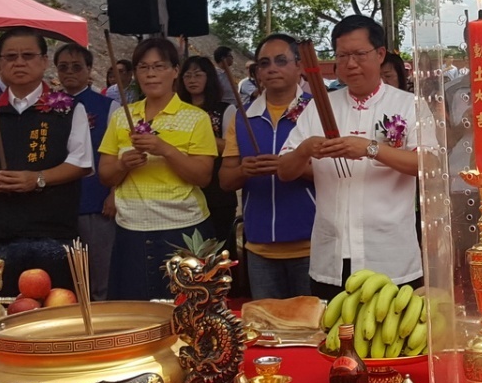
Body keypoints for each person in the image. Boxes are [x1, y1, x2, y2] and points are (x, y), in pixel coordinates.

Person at [277, 15, 427, 300]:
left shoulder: (408, 105)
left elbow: (428, 166)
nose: (351, 64)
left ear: (380, 54)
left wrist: (370, 148)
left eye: (359, 54)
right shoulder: (318, 107)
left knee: (395, 341)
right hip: (331, 259)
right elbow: (285, 171)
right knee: (332, 341)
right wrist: (306, 148)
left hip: (390, 256)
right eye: (343, 55)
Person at [0, 28, 93, 295]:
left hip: (53, 229)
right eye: (11, 56)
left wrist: (37, 179)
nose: (19, 62)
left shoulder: (68, 109)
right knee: (3, 311)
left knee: (56, 312)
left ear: (43, 60)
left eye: (28, 55)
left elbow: (81, 162)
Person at [99, 37, 217, 301]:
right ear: (135, 73)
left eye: (159, 66)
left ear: (175, 71)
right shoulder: (122, 116)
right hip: (131, 228)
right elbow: (105, 174)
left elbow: (203, 176)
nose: (151, 74)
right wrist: (122, 164)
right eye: (143, 67)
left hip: (183, 228)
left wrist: (165, 150)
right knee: (134, 315)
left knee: (186, 312)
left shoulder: (196, 118)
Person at [220, 33, 316, 299]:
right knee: (268, 331)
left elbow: (339, 172)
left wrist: (291, 166)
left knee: (313, 329)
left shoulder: (318, 111)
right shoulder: (243, 117)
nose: (272, 68)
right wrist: (243, 171)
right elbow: (225, 181)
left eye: (281, 60)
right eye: (264, 63)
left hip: (313, 245)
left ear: (299, 66)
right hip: (259, 247)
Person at [54, 43, 115, 300]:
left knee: (100, 274)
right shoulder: (49, 106)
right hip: (57, 202)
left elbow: (119, 154)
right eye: (63, 67)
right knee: (63, 278)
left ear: (89, 70)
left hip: (95, 200)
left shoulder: (107, 107)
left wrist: (114, 193)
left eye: (77, 67)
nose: (70, 72)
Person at [177, 55, 239, 267]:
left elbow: (231, 147)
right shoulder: (177, 112)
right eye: (187, 75)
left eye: (198, 74)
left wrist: (199, 140)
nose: (192, 79)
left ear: (209, 78)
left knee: (218, 250)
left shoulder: (225, 110)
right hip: (183, 186)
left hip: (217, 188)